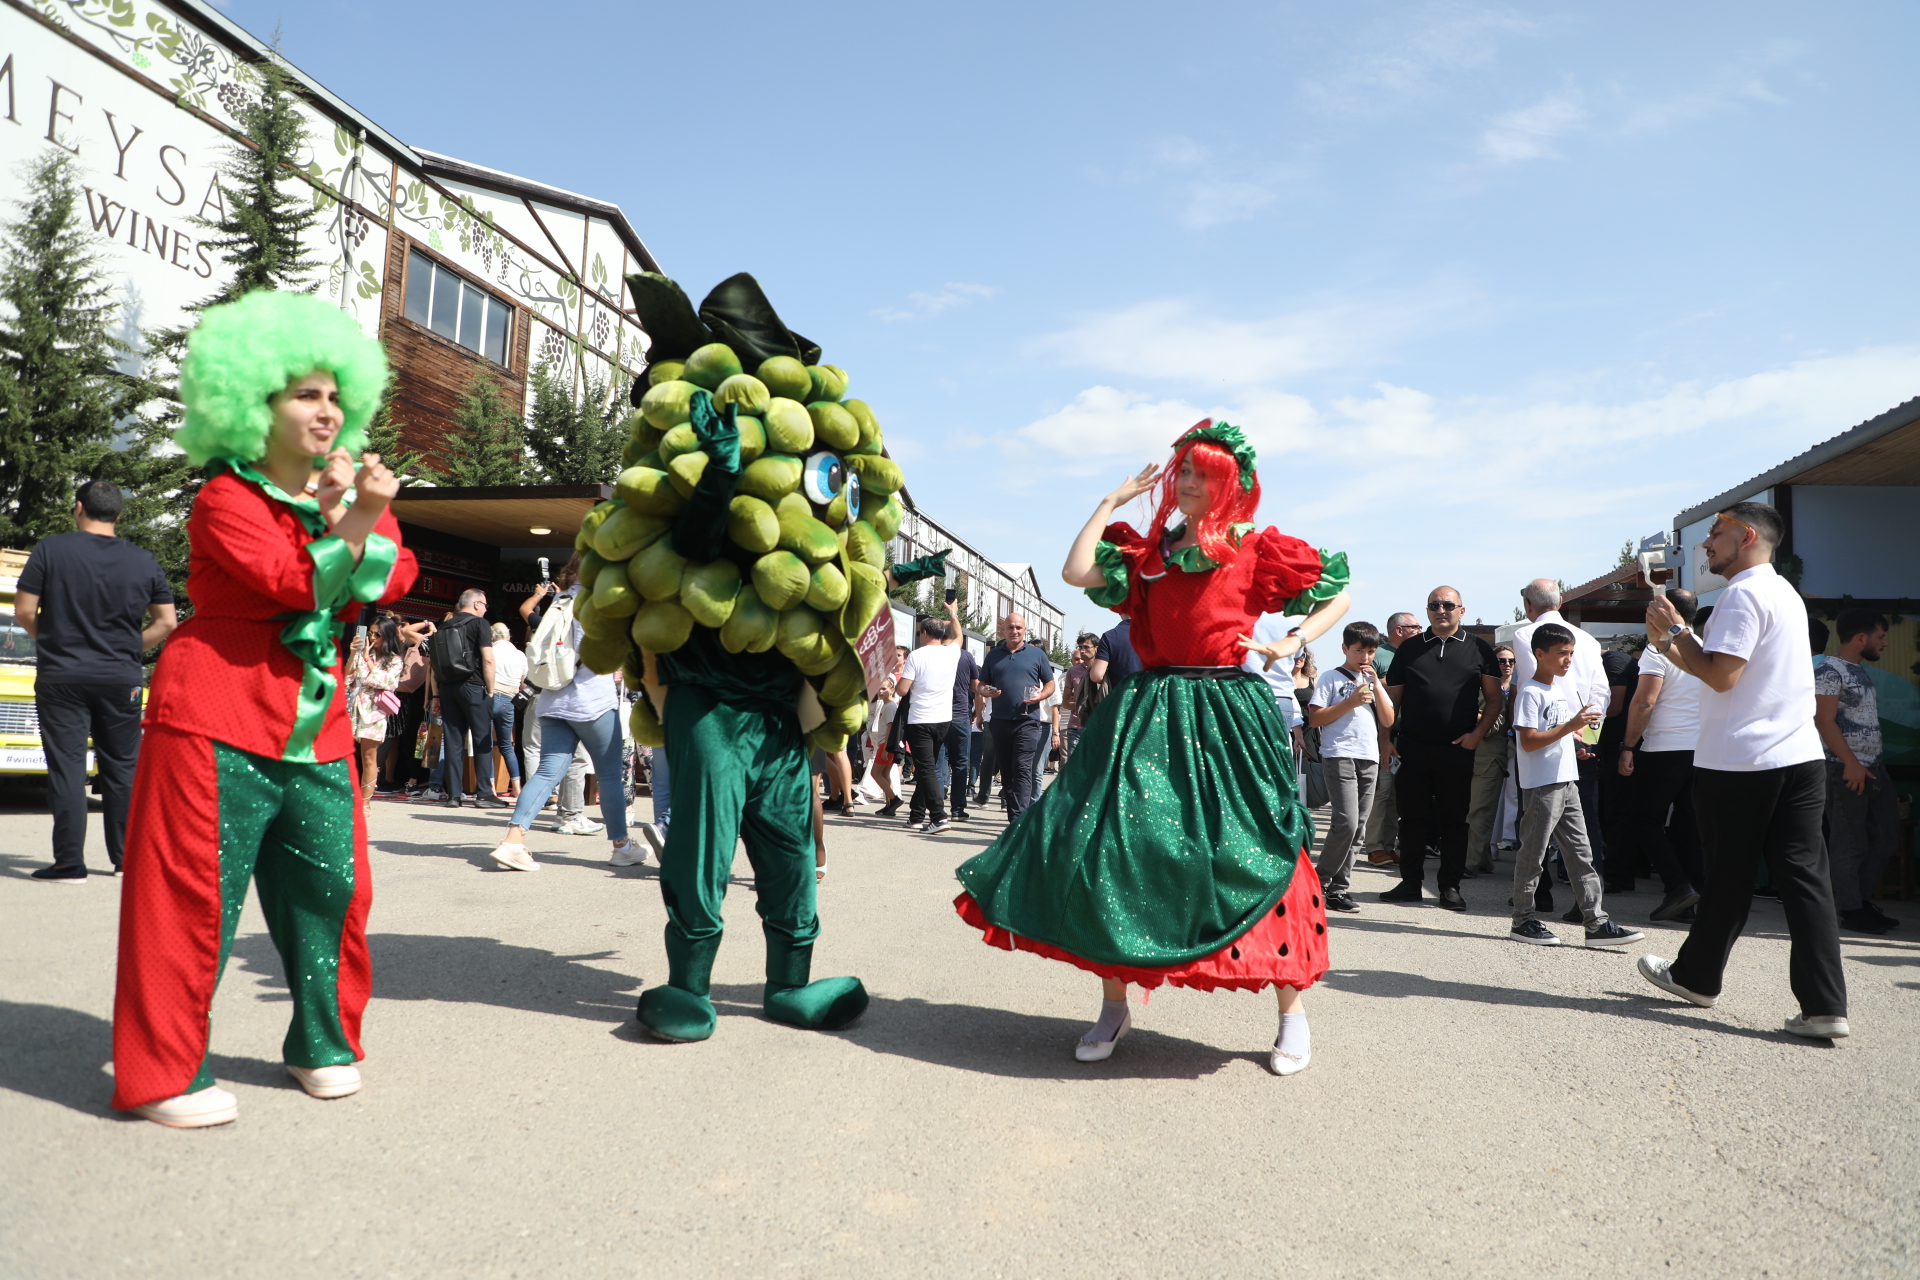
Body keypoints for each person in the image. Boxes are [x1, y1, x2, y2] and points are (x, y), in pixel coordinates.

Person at [956, 418, 1351, 1076]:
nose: (1189, 482)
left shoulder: (1256, 547)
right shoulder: (1151, 552)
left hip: (1228, 711)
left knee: (1257, 848)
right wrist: (1109, 502)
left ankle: (1293, 1013)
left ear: (1229, 482)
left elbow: (1336, 593)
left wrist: (1291, 640)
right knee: (1113, 847)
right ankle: (1114, 1006)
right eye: (1183, 471)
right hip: (1149, 710)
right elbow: (1075, 571)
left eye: (1202, 473)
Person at [109, 290, 418, 1127]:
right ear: (253, 404)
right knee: (191, 901)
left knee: (336, 893)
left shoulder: (331, 501)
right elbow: (297, 582)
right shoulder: (225, 499)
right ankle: (163, 1072)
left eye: (334, 395)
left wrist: (346, 512)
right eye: (305, 394)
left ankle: (323, 1043)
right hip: (213, 717)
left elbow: (391, 577)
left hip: (317, 729)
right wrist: (359, 514)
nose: (327, 410)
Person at [1636, 502, 1849, 1040]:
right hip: (1799, 757)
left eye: (1715, 532)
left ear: (1747, 536)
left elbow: (1721, 675)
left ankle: (1697, 977)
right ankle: (1825, 1005)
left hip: (1741, 761)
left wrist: (1675, 629)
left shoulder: (1741, 594)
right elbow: (1717, 669)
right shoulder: (1784, 593)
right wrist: (1671, 641)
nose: (1706, 543)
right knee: (1805, 881)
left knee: (1728, 876)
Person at [17, 479, 176, 882]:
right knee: (122, 768)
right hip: (120, 677)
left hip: (62, 676)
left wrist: (51, 643)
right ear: (118, 515)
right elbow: (167, 622)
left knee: (67, 768)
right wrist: (129, 649)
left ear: (78, 507)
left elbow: (24, 612)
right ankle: (126, 860)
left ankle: (70, 862)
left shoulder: (50, 549)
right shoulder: (144, 560)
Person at [488, 579, 641, 872]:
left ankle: (512, 842)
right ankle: (622, 847)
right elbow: (604, 650)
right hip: (592, 700)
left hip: (553, 697)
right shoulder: (600, 598)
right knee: (610, 776)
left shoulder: (562, 599)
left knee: (547, 772)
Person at [1506, 624, 1644, 947]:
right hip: (1543, 784)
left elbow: (1554, 732)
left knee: (1582, 854)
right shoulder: (1530, 691)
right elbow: (1528, 741)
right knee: (1534, 853)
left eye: (1570, 653)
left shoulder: (1556, 688)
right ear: (1539, 654)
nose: (1568, 660)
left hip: (1566, 780)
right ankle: (1522, 920)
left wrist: (1575, 742)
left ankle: (1596, 923)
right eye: (1561, 654)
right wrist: (1570, 726)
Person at [1380, 586, 1502, 910]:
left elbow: (1495, 700)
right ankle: (1410, 884)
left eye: (1448, 604)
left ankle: (1450, 887)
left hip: (1457, 749)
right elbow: (1392, 702)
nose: (1441, 610)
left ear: (1462, 610)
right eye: (1434, 605)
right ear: (1427, 611)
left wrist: (1477, 734)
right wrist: (1385, 740)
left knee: (1454, 821)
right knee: (1411, 819)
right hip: (1411, 748)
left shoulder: (1479, 648)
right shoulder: (1409, 649)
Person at [1619, 588, 1705, 923]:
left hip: (1664, 749)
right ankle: (1691, 901)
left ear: (1664, 612)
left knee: (1644, 819)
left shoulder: (1659, 648)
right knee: (1689, 828)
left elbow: (1645, 701)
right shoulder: (1703, 647)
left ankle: (1678, 886)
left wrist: (1628, 746)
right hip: (1702, 751)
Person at [1814, 608, 1901, 935]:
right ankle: (1851, 910)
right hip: (1844, 768)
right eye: (1881, 637)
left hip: (1873, 767)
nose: (1885, 643)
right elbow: (1823, 720)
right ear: (1861, 638)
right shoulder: (1829, 670)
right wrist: (1851, 763)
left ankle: (1861, 903)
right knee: (1850, 843)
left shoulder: (1857, 669)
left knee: (1886, 837)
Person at [1307, 621, 1394, 914]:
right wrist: (1351, 701)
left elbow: (1388, 719)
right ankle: (1318, 882)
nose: (1365, 657)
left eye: (1371, 652)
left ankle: (1338, 889)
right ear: (1345, 648)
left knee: (1358, 828)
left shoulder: (1373, 679)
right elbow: (1316, 718)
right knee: (1346, 822)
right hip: (1339, 754)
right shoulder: (1331, 677)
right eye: (1359, 651)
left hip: (1368, 756)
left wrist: (1377, 685)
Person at [425, 589, 506, 809]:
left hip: (447, 688)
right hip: (474, 686)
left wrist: (436, 696)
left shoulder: (444, 626)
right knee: (482, 739)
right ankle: (484, 794)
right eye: (485, 605)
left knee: (453, 741)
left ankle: (454, 795)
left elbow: (435, 666)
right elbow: (488, 660)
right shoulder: (480, 624)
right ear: (477, 604)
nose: (486, 609)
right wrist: (491, 690)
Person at [980, 612, 1056, 822]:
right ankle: (1014, 815)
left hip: (1027, 721)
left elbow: (1050, 683)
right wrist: (985, 691)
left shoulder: (1036, 654)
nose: (1014, 631)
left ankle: (1018, 820)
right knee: (1006, 771)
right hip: (1000, 721)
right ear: (1003, 630)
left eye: (1018, 627)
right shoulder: (993, 655)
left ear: (1024, 630)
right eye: (1010, 627)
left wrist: (1041, 695)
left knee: (1022, 768)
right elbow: (981, 684)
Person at [1361, 610, 1421, 864]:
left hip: (1409, 735)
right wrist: (1392, 682)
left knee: (1397, 794)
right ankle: (1374, 846)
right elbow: (1365, 685)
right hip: (1384, 734)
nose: (1420, 631)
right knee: (1382, 791)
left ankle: (1388, 845)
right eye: (1415, 627)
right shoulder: (1378, 654)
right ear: (1399, 630)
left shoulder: (1416, 653)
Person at [895, 615, 964, 834]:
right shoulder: (952, 652)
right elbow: (959, 636)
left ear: (924, 633)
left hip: (920, 720)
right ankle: (916, 815)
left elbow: (902, 690)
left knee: (926, 769)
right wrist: (953, 614)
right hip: (943, 720)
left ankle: (938, 817)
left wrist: (896, 685)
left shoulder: (917, 655)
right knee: (928, 766)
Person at [1463, 644, 1516, 876]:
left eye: (1511, 661)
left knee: (1479, 813)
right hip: (1478, 757)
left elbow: (1493, 726)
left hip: (1492, 758)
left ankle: (1469, 864)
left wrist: (1463, 712)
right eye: (1501, 661)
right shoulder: (1480, 686)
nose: (1507, 665)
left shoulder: (1498, 691)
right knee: (1475, 811)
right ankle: (1482, 860)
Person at [346, 613, 405, 815]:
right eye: (371, 633)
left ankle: (365, 803)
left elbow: (386, 683)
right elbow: (346, 678)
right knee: (345, 754)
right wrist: (353, 655)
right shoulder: (363, 653)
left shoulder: (395, 660)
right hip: (353, 708)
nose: (372, 638)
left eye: (377, 634)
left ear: (387, 636)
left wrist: (367, 660)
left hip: (374, 712)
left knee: (369, 757)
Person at [490, 620, 528, 798]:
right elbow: (523, 684)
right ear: (508, 636)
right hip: (509, 700)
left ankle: (490, 787)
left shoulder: (490, 651)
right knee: (507, 746)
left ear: (492, 636)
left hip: (490, 697)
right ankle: (517, 787)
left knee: (486, 745)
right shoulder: (520, 654)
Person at [1061, 633, 1097, 761]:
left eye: (1086, 647)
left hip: (1097, 727)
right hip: (1075, 727)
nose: (1082, 651)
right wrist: (1080, 706)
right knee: (1075, 766)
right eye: (1080, 647)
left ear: (1096, 648)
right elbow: (1065, 702)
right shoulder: (1073, 671)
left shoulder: (1104, 669)